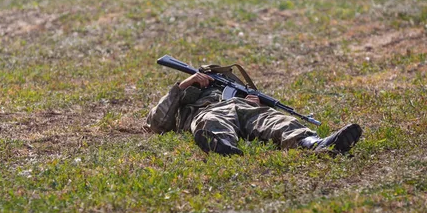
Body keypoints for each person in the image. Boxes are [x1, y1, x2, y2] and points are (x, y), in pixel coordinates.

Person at [146, 72, 362, 156]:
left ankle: (316, 143)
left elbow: (267, 115)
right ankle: (221, 146)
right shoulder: (184, 97)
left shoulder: (237, 93)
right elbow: (157, 123)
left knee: (275, 120)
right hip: (208, 113)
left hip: (245, 108)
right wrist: (184, 85)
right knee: (212, 121)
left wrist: (251, 101)